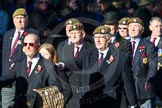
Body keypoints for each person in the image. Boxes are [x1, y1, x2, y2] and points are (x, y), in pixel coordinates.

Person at [58, 25, 139, 108]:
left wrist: (133, 104)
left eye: (101, 37)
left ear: (109, 39)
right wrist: (61, 65)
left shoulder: (121, 57)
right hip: (88, 101)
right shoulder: (88, 54)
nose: (98, 40)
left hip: (110, 102)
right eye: (96, 37)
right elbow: (76, 63)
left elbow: (128, 82)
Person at [0, 33, 62, 108]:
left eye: (31, 44)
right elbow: (7, 78)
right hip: (20, 104)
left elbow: (56, 88)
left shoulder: (48, 65)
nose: (28, 47)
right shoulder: (19, 63)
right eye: (25, 44)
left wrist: (42, 93)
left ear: (38, 46)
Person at [1, 8, 39, 108]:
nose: (19, 20)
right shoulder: (7, 34)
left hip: (23, 80)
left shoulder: (33, 34)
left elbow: (33, 55)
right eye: (17, 18)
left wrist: (17, 63)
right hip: (6, 80)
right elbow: (5, 56)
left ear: (27, 19)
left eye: (22, 18)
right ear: (13, 20)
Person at [128, 17, 157, 107]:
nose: (132, 29)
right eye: (130, 26)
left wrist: (149, 80)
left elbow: (153, 66)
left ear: (142, 30)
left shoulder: (148, 45)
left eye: (136, 26)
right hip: (127, 89)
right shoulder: (123, 45)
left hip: (142, 88)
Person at [145, 16, 162, 102]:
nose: (159, 28)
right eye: (156, 26)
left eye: (161, 26)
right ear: (150, 27)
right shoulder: (144, 41)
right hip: (148, 79)